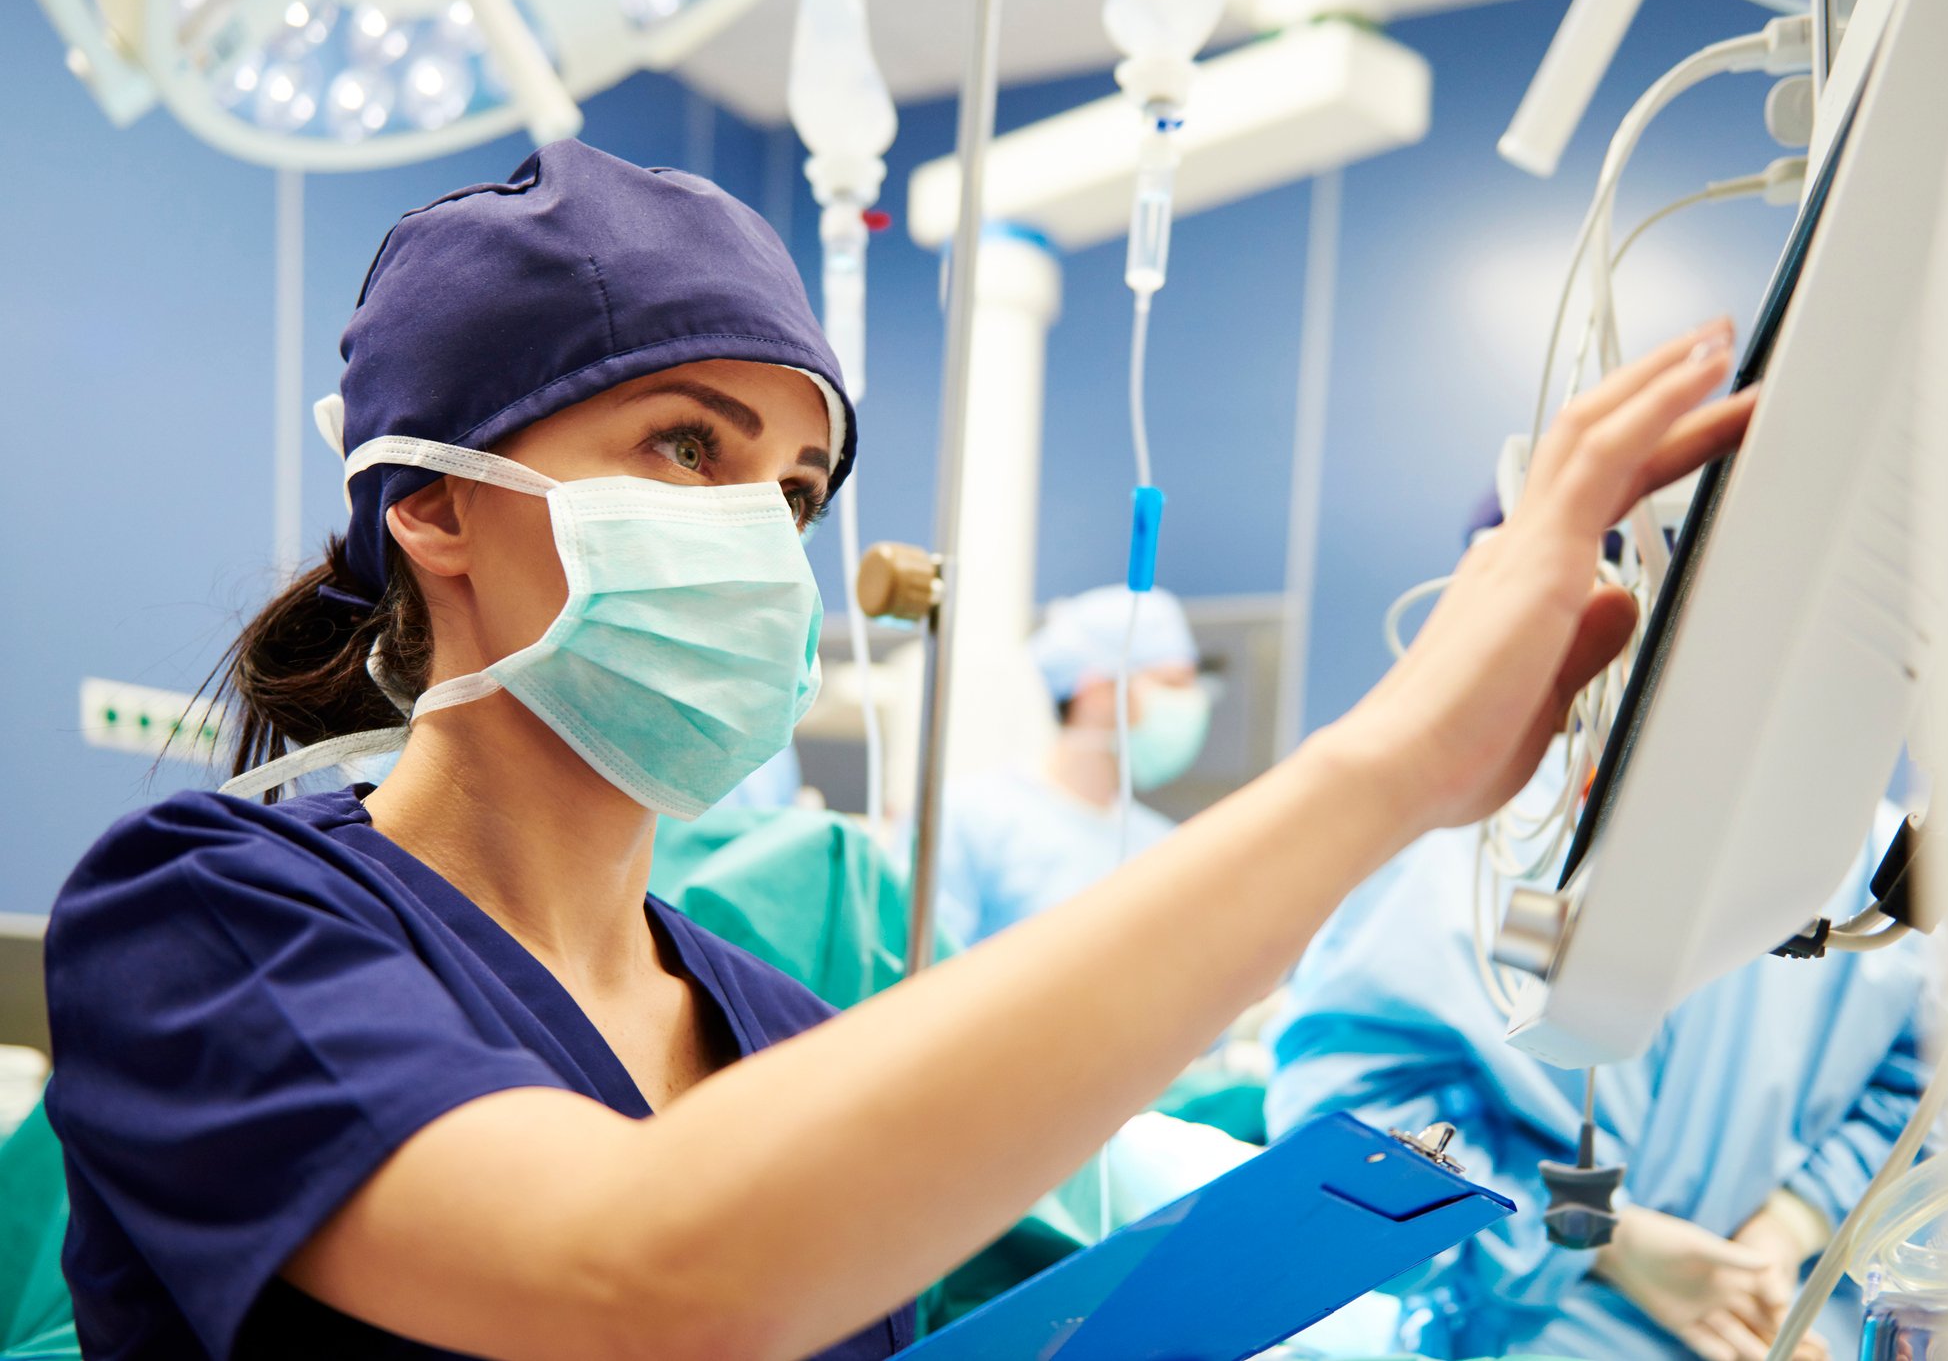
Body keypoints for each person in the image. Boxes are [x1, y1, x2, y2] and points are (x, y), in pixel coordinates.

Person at [40, 137, 1756, 1361]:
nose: (758, 528)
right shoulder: (211, 922)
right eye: (684, 443)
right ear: (429, 502)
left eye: (791, 486)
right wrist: (1379, 771)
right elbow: (642, 1280)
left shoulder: (775, 1026)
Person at [1267, 735, 1948, 1360]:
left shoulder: (1861, 863)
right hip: (1546, 1332)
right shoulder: (1480, 847)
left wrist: (1791, 1222)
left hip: (1786, 1323)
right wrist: (1598, 1234)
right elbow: (1358, 1134)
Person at [937, 584, 1208, 946]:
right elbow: (918, 982)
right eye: (1171, 683)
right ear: (1095, 693)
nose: (1190, 703)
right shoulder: (968, 818)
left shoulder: (1165, 847)